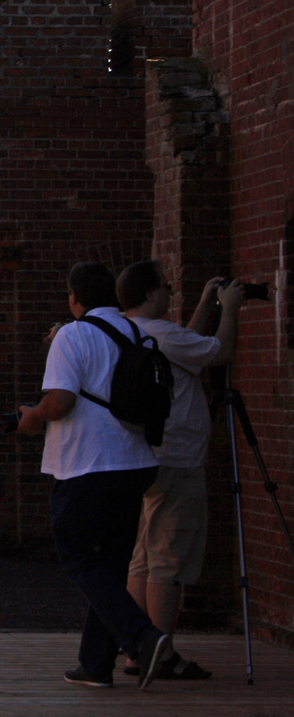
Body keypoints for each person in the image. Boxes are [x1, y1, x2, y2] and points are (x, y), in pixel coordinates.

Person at [17, 262, 172, 689]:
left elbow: (61, 402)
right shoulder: (138, 334)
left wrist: (32, 418)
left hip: (86, 464)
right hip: (135, 462)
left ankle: (143, 638)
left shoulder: (72, 334)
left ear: (74, 297)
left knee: (80, 558)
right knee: (109, 564)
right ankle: (95, 664)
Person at [117, 262, 247, 681]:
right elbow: (218, 352)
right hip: (179, 457)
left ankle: (137, 649)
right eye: (167, 288)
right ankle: (163, 653)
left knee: (142, 558)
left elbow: (185, 350)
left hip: (142, 456)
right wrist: (230, 309)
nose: (171, 294)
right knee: (168, 559)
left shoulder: (125, 331)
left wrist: (205, 306)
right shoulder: (163, 333)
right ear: (151, 292)